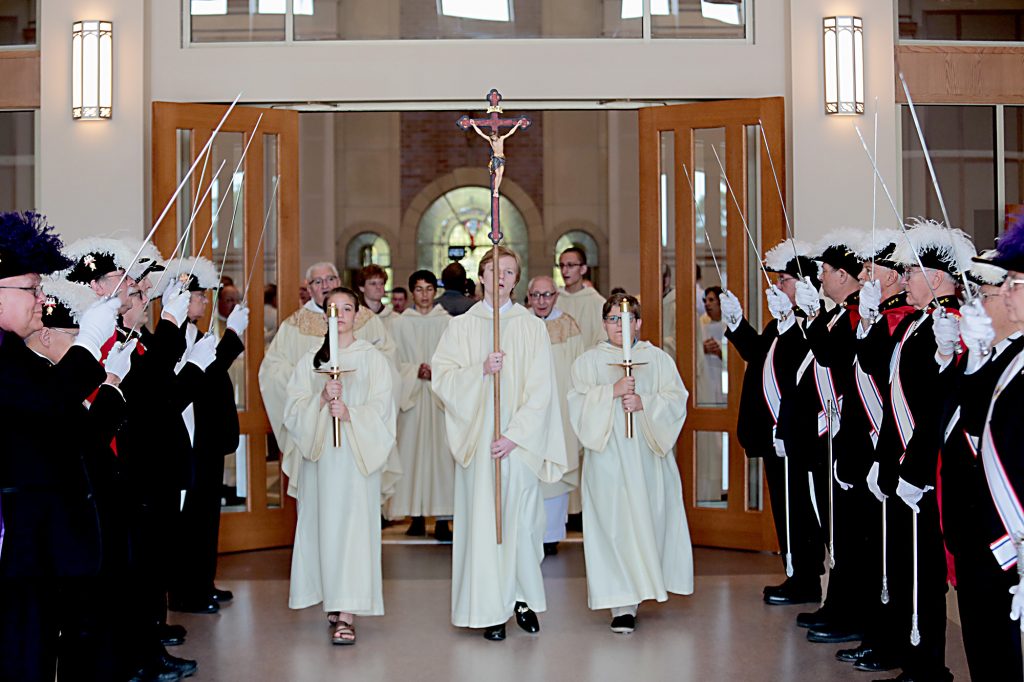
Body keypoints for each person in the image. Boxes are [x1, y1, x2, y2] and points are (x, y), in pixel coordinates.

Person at [0, 212, 121, 682]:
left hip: (39, 545)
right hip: (16, 544)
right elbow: (47, 403)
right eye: (30, 289)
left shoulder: (14, 352)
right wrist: (87, 343)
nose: (41, 298)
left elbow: (61, 417)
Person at [857, 219, 976, 682]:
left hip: (926, 468)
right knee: (906, 568)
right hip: (903, 462)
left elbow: (939, 410)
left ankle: (929, 667)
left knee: (924, 574)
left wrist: (917, 468)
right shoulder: (917, 324)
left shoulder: (948, 324)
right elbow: (874, 370)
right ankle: (914, 659)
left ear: (938, 278)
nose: (903, 279)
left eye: (911, 272)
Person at [431, 246, 568, 641]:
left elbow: (542, 390)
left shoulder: (530, 327)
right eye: (494, 271)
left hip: (518, 446)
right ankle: (492, 608)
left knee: (522, 524)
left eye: (509, 272)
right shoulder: (462, 326)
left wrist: (514, 436)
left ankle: (521, 597)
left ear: (516, 280)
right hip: (479, 445)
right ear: (482, 277)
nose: (502, 278)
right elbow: (443, 379)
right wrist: (480, 371)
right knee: (484, 525)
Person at [568, 293, 693, 634]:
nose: (619, 327)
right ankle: (620, 605)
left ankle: (639, 593)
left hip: (647, 460)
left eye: (626, 320)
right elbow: (576, 404)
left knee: (645, 524)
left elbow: (676, 400)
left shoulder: (657, 359)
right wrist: (611, 391)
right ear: (604, 323)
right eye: (612, 319)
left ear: (638, 323)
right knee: (612, 528)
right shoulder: (589, 361)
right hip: (607, 459)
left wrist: (644, 402)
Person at [284, 287, 396, 646]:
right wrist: (319, 400)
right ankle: (332, 600)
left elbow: (383, 409)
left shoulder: (372, 359)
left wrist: (350, 414)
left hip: (355, 461)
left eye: (348, 308)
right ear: (325, 315)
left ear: (358, 314)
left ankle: (346, 612)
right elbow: (292, 410)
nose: (342, 314)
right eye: (334, 308)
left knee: (351, 532)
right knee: (323, 529)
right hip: (321, 463)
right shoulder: (310, 361)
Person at [720, 239, 822, 606]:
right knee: (783, 506)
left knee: (800, 508)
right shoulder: (781, 323)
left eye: (785, 280)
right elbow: (759, 356)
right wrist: (736, 323)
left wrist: (789, 323)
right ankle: (794, 573)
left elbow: (802, 368)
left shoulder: (812, 323)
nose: (778, 286)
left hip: (797, 432)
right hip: (775, 432)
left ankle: (806, 577)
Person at [938, 248, 1023, 682]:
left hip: (1005, 536)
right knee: (985, 649)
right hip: (980, 528)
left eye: (1011, 287)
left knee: (1005, 653)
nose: (1002, 298)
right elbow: (971, 422)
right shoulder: (1000, 356)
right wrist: (972, 360)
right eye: (1000, 289)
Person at [787, 230, 867, 645]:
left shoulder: (853, 314)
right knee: (835, 526)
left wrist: (811, 315)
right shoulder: (839, 312)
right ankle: (836, 603)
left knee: (847, 529)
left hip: (845, 430)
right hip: (831, 432)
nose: (820, 276)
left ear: (842, 275)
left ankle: (849, 609)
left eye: (825, 270)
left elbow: (833, 357)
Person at [260, 261, 396, 500]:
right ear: (308, 288)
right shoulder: (293, 326)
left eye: (330, 279)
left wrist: (360, 394)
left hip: (358, 434)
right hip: (317, 433)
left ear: (339, 282)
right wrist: (308, 385)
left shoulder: (363, 318)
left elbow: (387, 360)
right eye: (317, 281)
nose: (325, 285)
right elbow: (272, 370)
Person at [168, 257, 248, 616]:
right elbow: (200, 375)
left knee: (207, 516)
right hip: (188, 437)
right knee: (189, 520)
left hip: (208, 437)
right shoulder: (170, 340)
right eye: (200, 296)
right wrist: (232, 337)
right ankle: (186, 590)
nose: (205, 302)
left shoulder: (198, 335)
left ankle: (204, 581)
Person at [389, 270, 454, 540]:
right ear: (411, 292)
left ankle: (442, 518)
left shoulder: (448, 322)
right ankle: (415, 517)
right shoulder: (399, 324)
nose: (424, 295)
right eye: (419, 289)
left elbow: (456, 360)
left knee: (441, 460)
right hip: (413, 401)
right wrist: (415, 371)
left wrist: (437, 372)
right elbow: (392, 366)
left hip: (439, 402)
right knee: (412, 458)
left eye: (429, 289)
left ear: (435, 291)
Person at [527, 275, 584, 555]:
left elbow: (578, 372)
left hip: (560, 412)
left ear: (555, 297)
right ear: (528, 297)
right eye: (536, 296)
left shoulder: (569, 326)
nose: (541, 302)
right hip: (528, 414)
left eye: (546, 295)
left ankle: (550, 535)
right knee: (530, 473)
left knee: (556, 473)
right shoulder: (519, 324)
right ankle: (528, 532)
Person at [556, 247, 606, 349]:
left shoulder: (598, 302)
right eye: (562, 266)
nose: (564, 271)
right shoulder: (554, 300)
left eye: (570, 265)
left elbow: (603, 339)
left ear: (583, 269)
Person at [470, 120, 522, 197]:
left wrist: (517, 125)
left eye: (494, 137)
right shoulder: (490, 141)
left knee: (501, 174)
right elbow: (480, 133)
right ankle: (496, 191)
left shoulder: (501, 139)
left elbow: (510, 133)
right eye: (492, 137)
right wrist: (474, 125)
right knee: (497, 174)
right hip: (496, 159)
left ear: (496, 135)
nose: (493, 138)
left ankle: (496, 190)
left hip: (502, 158)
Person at [357, 264, 400, 333]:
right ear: (362, 288)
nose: (378, 287)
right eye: (373, 284)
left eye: (381, 283)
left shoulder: (395, 318)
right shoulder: (356, 317)